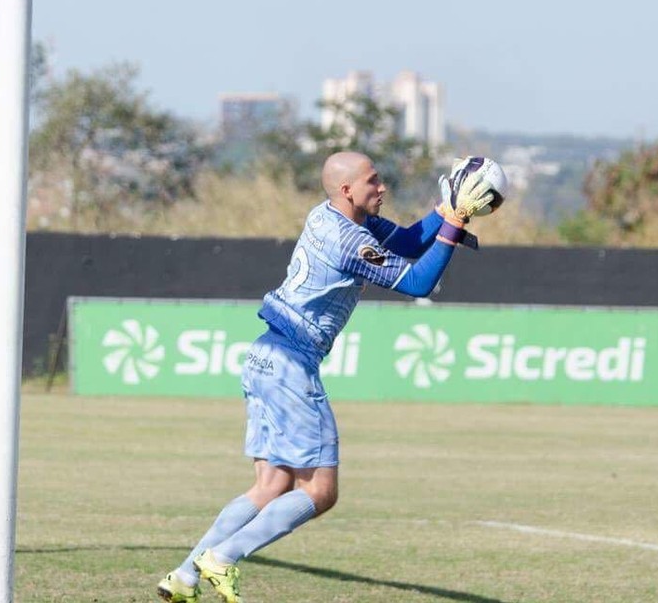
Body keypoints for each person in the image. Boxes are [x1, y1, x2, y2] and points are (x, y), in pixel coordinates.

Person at [157, 151, 496, 603]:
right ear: (347, 190)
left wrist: (446, 211)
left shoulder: (331, 217)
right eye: (373, 182)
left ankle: (184, 575)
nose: (382, 188)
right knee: (320, 490)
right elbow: (418, 284)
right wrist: (453, 228)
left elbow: (410, 243)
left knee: (271, 485)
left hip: (263, 356)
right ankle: (222, 557)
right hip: (291, 365)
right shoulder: (349, 242)